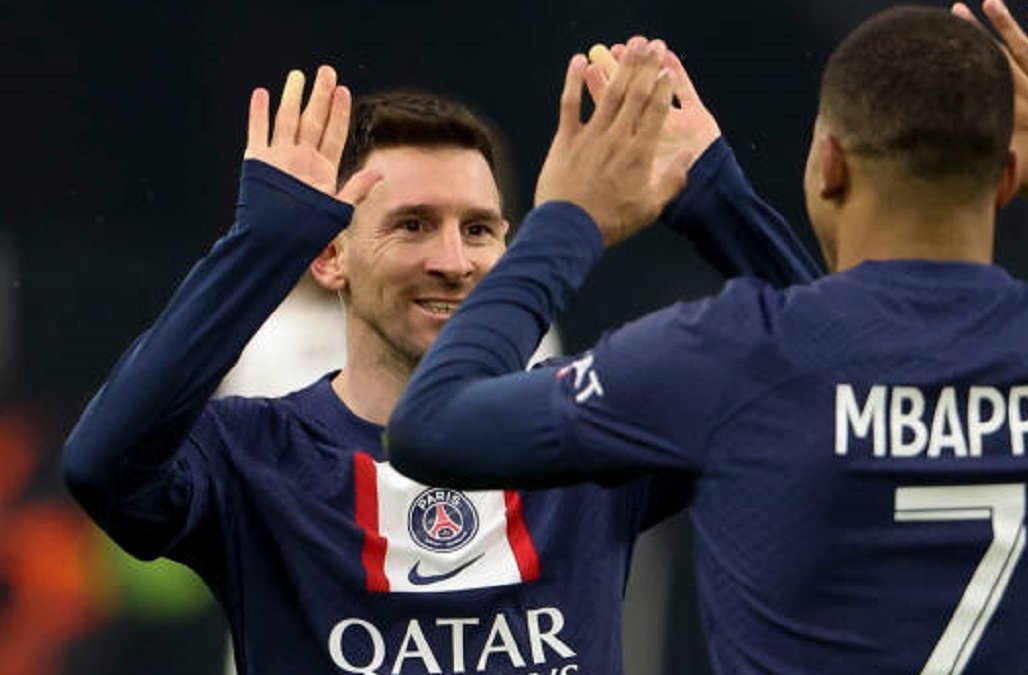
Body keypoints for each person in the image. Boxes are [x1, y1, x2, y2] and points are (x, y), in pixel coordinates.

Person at [387, 4, 1028, 674]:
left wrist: (571, 218)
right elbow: (846, 349)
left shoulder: (728, 353)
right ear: (1010, 178)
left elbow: (434, 422)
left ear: (830, 165)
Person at [61, 38, 823, 675]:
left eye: (480, 229)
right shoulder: (256, 457)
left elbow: (835, 381)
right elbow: (102, 465)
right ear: (329, 256)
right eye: (414, 225)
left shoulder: (588, 425)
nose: (453, 261)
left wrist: (714, 199)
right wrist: (257, 251)